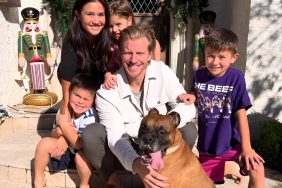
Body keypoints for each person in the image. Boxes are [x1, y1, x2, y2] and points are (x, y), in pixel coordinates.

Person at [82, 25, 198, 188]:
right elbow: (116, 137)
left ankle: (168, 174)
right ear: (120, 53)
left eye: (140, 53)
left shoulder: (162, 72)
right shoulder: (106, 93)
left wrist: (170, 120)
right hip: (125, 151)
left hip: (159, 147)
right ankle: (113, 180)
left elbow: (187, 106)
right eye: (128, 52)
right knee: (92, 133)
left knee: (189, 130)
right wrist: (138, 165)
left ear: (150, 54)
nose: (133, 59)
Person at [178, 27, 265, 187]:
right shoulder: (199, 75)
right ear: (204, 54)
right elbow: (197, 91)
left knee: (257, 167)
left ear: (233, 57)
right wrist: (192, 96)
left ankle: (233, 167)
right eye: (210, 56)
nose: (215, 62)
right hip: (208, 146)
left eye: (221, 57)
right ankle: (230, 169)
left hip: (232, 144)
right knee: (202, 182)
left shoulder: (236, 78)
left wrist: (247, 148)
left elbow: (241, 113)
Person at [55, 0, 113, 161]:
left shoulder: (105, 38)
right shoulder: (71, 46)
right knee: (63, 129)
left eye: (101, 14)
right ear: (78, 15)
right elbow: (67, 95)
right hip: (79, 97)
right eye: (89, 14)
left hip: (99, 96)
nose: (96, 20)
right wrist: (65, 129)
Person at [34, 73, 99, 188]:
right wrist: (60, 133)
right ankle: (38, 178)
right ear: (69, 94)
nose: (80, 101)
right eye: (77, 96)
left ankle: (84, 184)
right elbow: (53, 133)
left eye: (86, 99)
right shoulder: (64, 110)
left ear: (93, 101)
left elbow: (79, 144)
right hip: (67, 151)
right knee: (43, 144)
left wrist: (63, 126)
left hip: (84, 156)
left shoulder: (90, 116)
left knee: (80, 157)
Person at [103, 0, 161, 89]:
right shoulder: (109, 46)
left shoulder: (150, 43)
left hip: (145, 88)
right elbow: (107, 68)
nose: (114, 29)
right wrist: (107, 75)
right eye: (110, 26)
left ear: (129, 20)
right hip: (118, 89)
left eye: (118, 24)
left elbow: (157, 70)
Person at [18, 7, 54, 94]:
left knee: (40, 74)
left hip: (40, 57)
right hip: (31, 58)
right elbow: (21, 48)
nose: (31, 25)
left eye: (34, 23)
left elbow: (47, 46)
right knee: (33, 74)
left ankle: (41, 89)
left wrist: (49, 56)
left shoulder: (43, 35)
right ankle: (35, 90)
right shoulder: (22, 36)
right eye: (29, 23)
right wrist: (21, 57)